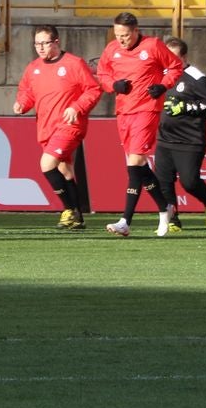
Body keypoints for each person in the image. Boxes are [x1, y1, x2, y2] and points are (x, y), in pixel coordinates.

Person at [96, 12, 185, 238]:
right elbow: (103, 74)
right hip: (123, 111)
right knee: (139, 166)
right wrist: (113, 85)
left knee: (134, 162)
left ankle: (125, 221)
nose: (121, 39)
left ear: (136, 31)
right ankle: (166, 208)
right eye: (117, 35)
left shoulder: (153, 45)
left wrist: (163, 86)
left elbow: (175, 66)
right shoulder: (111, 49)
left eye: (125, 35)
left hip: (147, 110)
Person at [14, 25, 102, 230]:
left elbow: (93, 89)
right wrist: (22, 103)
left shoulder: (74, 63)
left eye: (45, 43)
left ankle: (68, 209)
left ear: (56, 42)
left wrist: (76, 107)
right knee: (65, 170)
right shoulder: (33, 68)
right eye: (37, 43)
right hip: (45, 127)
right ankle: (78, 216)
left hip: (69, 125)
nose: (41, 48)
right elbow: (27, 91)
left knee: (47, 164)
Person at [153, 37, 206, 233]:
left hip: (190, 140)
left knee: (189, 182)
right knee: (163, 181)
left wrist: (185, 107)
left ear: (184, 57)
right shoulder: (161, 74)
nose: (169, 61)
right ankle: (173, 220)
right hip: (165, 138)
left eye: (173, 57)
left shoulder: (196, 77)